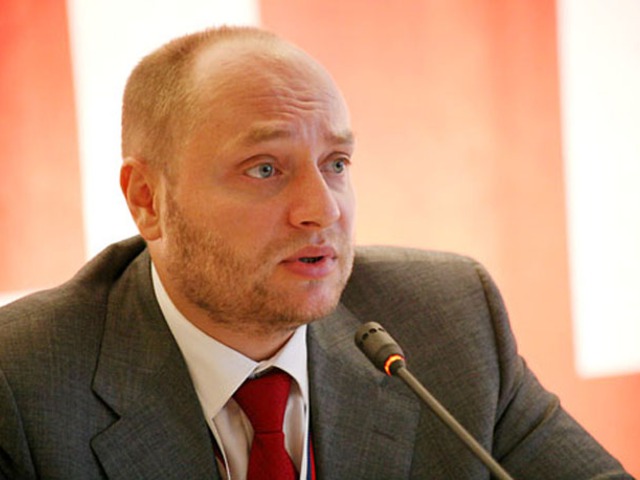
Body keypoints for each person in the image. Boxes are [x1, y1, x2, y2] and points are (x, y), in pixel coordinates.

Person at [0, 26, 632, 480]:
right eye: (265, 168)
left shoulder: (448, 321)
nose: (323, 210)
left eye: (336, 163)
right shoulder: (23, 383)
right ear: (147, 200)